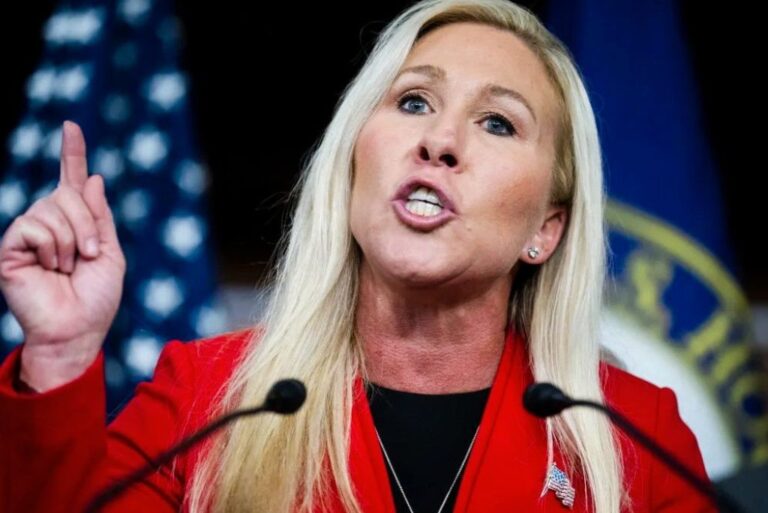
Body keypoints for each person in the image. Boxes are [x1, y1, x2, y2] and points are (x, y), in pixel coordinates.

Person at [0, 0, 713, 512]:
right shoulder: (207, 397)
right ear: (352, 166)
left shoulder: (634, 436)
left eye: (497, 121)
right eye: (411, 102)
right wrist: (59, 358)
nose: (439, 140)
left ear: (547, 230)